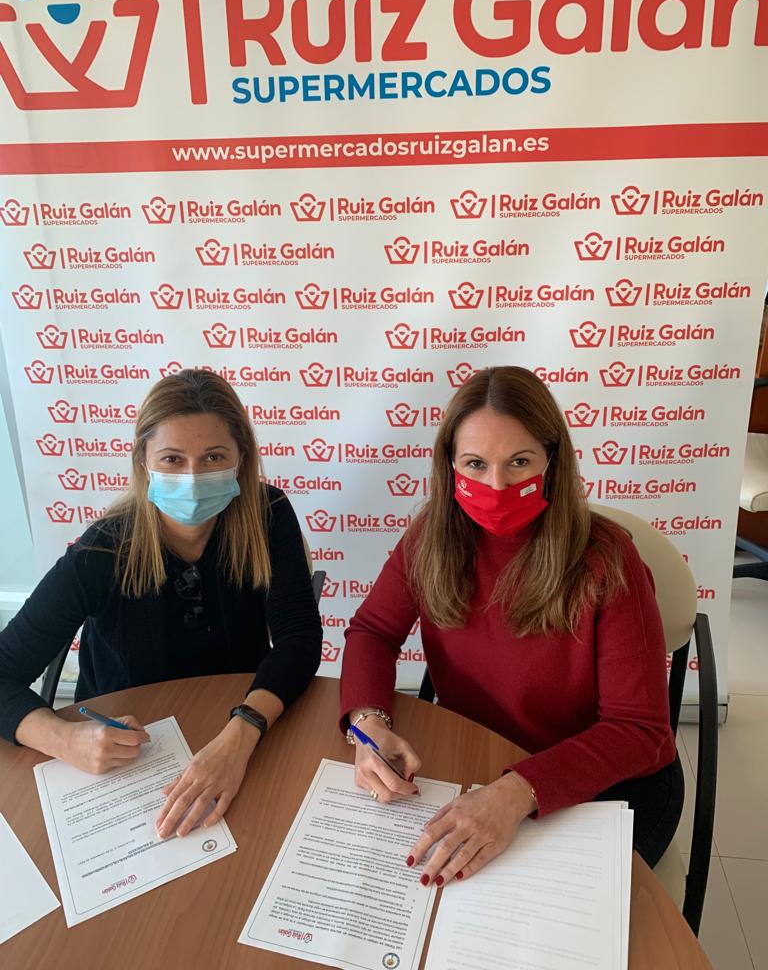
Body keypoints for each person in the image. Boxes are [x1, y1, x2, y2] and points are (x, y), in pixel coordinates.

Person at [340, 365, 683, 887]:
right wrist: (367, 726)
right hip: (483, 758)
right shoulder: (431, 536)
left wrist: (517, 792)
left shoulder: (609, 558)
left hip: (608, 780)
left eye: (519, 462)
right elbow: (372, 632)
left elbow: (639, 730)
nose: (496, 485)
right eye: (475, 464)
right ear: (450, 466)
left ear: (552, 462)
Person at [0, 368, 322, 838]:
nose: (193, 477)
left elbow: (299, 639)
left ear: (241, 459)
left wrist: (243, 731)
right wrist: (64, 738)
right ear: (143, 463)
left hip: (245, 729)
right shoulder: (101, 553)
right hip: (132, 754)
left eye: (214, 457)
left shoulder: (268, 514)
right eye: (172, 459)